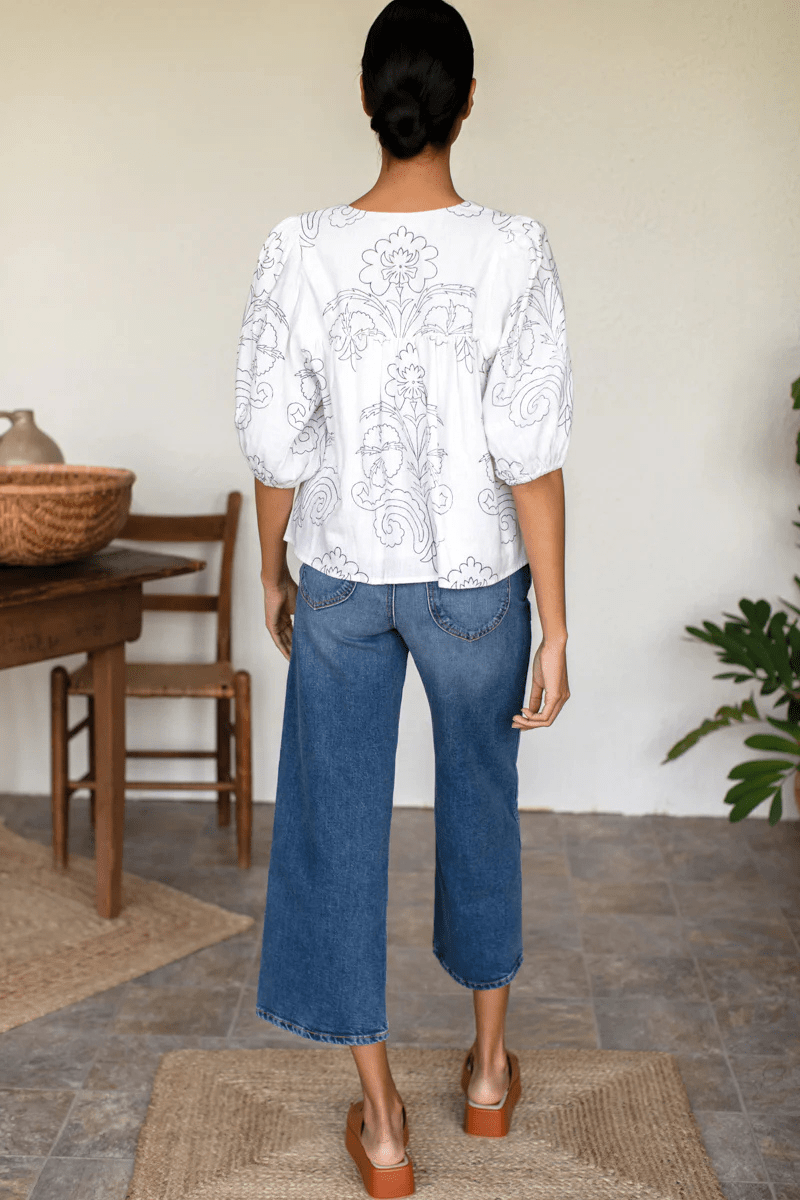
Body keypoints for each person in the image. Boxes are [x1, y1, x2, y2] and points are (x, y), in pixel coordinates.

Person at [234, 1, 573, 1194]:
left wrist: (272, 566)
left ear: (366, 99)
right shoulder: (513, 249)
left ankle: (381, 1128)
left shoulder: (298, 247)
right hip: (476, 581)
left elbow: (275, 439)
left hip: (339, 576)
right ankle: (483, 1076)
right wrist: (557, 622)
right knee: (482, 802)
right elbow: (528, 450)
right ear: (466, 102)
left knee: (332, 828)